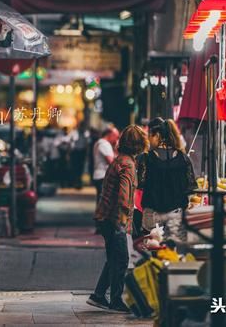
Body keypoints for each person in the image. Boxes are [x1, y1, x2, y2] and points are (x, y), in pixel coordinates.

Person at [88, 125, 148, 313]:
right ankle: (115, 300)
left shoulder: (120, 160)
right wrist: (123, 223)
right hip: (115, 219)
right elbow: (124, 196)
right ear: (139, 145)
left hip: (106, 217)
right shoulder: (128, 165)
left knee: (114, 258)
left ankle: (98, 295)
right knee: (121, 259)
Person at [137, 117, 197, 242]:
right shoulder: (183, 158)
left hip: (152, 214)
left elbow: (140, 183)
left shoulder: (146, 159)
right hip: (176, 213)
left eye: (150, 135)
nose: (148, 139)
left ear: (157, 135)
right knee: (173, 252)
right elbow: (190, 186)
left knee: (152, 251)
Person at [92, 124, 120, 203]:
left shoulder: (98, 142)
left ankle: (99, 215)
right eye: (116, 136)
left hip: (99, 175)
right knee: (104, 202)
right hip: (103, 176)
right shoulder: (105, 144)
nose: (116, 139)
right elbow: (111, 162)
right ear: (110, 134)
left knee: (101, 201)